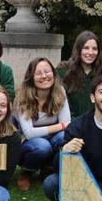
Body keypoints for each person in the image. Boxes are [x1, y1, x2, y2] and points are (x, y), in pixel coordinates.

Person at [14, 58, 70, 191]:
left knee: (64, 137)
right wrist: (60, 126)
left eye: (47, 72)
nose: (44, 76)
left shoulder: (59, 91)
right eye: (38, 73)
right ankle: (26, 172)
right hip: (29, 144)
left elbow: (67, 123)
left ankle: (49, 169)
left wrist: (62, 127)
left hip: (51, 138)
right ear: (31, 77)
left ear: (54, 74)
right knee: (42, 146)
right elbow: (29, 133)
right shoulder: (23, 96)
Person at [56, 30, 102, 118]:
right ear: (78, 49)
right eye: (86, 48)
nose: (90, 53)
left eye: (94, 49)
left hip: (98, 122)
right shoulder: (63, 70)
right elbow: (59, 102)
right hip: (71, 123)